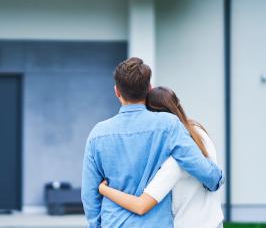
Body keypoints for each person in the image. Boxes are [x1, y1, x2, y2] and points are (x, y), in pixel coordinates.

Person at [81, 57, 224, 228]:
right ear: (148, 89)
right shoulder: (169, 125)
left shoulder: (98, 134)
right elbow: (204, 171)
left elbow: (89, 195)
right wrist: (217, 179)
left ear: (117, 91)